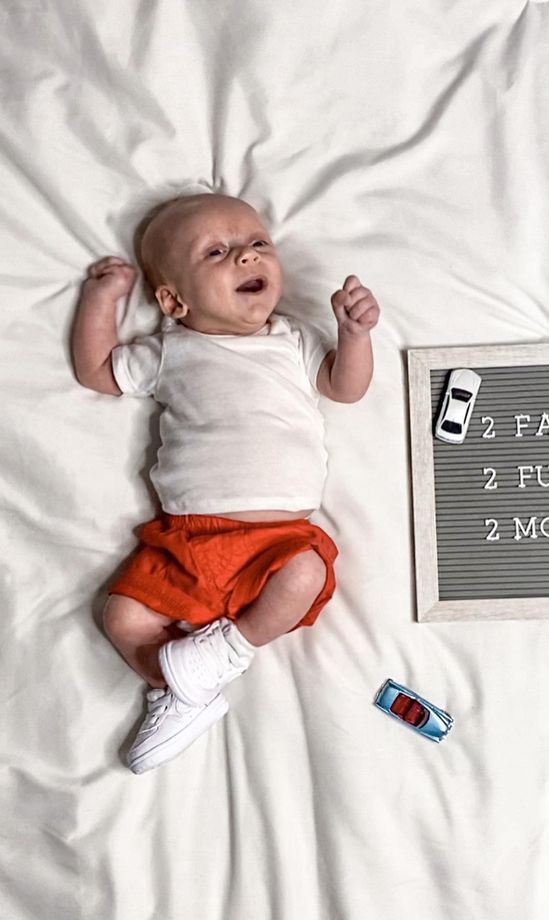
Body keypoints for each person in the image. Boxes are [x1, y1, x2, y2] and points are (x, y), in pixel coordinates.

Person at [72, 193, 380, 773]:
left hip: (279, 540)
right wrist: (101, 299)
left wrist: (355, 336)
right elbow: (97, 371)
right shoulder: (169, 352)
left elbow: (345, 387)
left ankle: (228, 651)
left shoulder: (292, 341)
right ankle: (185, 692)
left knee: (307, 574)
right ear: (173, 300)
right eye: (218, 251)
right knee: (122, 617)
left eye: (258, 244)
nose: (247, 257)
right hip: (186, 540)